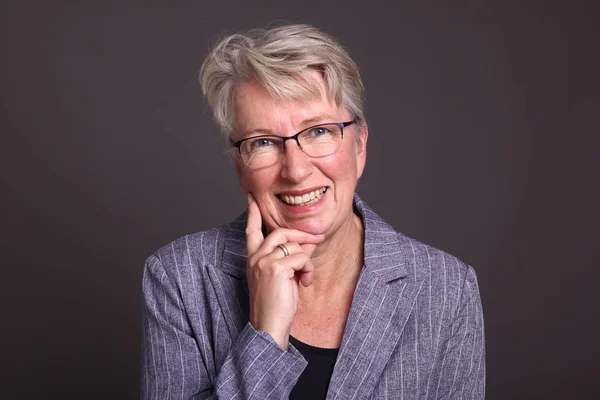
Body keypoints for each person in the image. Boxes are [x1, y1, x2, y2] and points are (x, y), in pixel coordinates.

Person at [141, 24, 485, 399]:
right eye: (264, 142)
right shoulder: (179, 278)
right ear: (240, 167)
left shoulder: (447, 290)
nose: (296, 169)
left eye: (319, 131)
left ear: (359, 146)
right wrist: (266, 335)